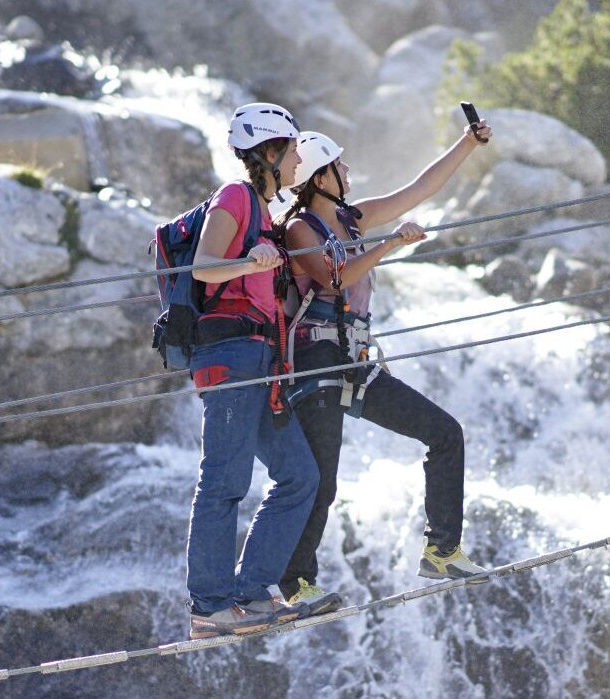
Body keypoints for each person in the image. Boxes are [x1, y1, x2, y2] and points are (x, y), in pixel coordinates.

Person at [274, 119, 495, 616]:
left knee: (445, 432)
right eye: (338, 165)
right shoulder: (297, 230)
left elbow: (420, 188)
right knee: (321, 480)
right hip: (314, 362)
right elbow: (334, 278)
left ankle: (441, 550)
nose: (347, 169)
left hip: (352, 357)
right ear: (317, 176)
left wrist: (467, 143)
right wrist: (390, 243)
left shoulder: (353, 219)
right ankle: (294, 584)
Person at [183, 102, 320, 639]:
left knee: (299, 474)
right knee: (225, 479)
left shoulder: (266, 213)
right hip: (231, 353)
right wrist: (250, 262)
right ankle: (209, 605)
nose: (297, 162)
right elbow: (201, 265)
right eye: (291, 152)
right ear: (269, 152)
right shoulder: (235, 196)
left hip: (262, 358)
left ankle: (251, 592)